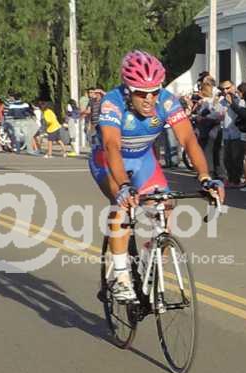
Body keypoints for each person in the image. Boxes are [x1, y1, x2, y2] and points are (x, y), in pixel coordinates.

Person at [90, 50, 225, 302]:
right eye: (142, 93)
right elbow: (111, 146)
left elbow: (188, 139)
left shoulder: (166, 102)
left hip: (143, 159)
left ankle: (148, 260)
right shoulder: (112, 103)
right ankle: (120, 276)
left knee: (165, 206)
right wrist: (124, 186)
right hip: (108, 160)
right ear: (128, 90)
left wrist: (205, 177)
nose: (149, 99)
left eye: (154, 91)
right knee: (122, 206)